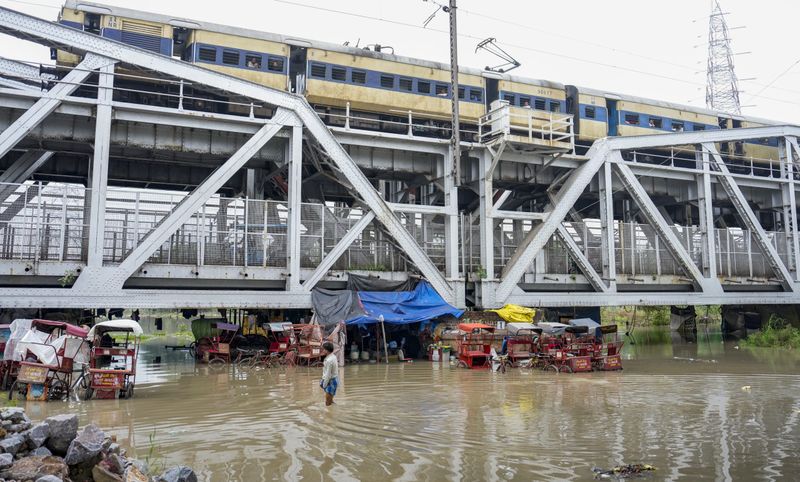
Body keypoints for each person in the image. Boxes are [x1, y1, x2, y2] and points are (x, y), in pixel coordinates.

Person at [320, 341, 338, 406]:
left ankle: (328, 415)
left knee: (327, 403)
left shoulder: (329, 360)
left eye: (323, 349)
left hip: (330, 381)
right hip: (334, 380)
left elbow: (328, 375)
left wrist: (324, 384)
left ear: (327, 350)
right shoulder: (333, 356)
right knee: (330, 401)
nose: (322, 350)